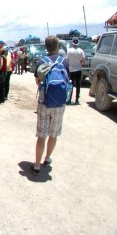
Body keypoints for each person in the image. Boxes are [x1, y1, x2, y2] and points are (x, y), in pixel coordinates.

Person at [32, 35, 69, 175]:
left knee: (42, 135)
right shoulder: (64, 62)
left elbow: (37, 81)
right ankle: (47, 159)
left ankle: (36, 165)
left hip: (44, 102)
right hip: (59, 103)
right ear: (58, 46)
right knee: (53, 134)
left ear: (45, 47)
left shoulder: (41, 61)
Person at [66, 37, 85, 105]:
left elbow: (67, 60)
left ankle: (69, 99)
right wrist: (80, 62)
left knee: (70, 85)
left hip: (71, 70)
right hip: (78, 69)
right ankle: (77, 99)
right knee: (78, 85)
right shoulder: (81, 51)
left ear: (72, 42)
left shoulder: (69, 51)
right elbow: (83, 60)